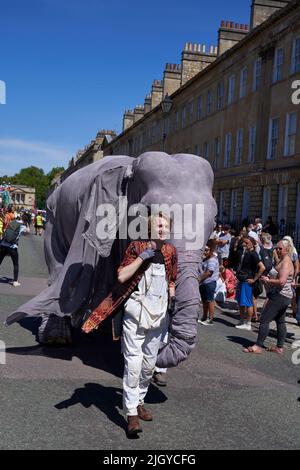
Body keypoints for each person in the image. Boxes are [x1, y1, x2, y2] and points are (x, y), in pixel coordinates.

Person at [83, 212, 177, 436]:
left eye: (165, 226)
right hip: (136, 312)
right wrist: (143, 256)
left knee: (148, 365)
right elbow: (122, 276)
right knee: (133, 365)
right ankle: (132, 414)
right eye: (158, 225)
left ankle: (140, 400)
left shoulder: (171, 252)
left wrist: (172, 295)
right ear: (149, 229)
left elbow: (172, 278)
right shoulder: (136, 247)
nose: (162, 229)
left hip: (159, 314)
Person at [244, 239, 294, 354]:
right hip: (284, 296)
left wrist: (268, 280)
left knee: (264, 319)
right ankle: (279, 347)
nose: (277, 250)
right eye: (276, 248)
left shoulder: (286, 262)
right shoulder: (283, 260)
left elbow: (281, 281)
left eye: (280, 248)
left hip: (280, 296)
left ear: (287, 249)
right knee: (280, 321)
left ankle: (258, 346)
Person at [235, 236, 265, 331]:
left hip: (247, 280)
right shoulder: (246, 252)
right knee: (240, 301)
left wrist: (254, 279)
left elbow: (262, 267)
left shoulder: (253, 254)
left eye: (246, 243)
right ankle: (241, 320)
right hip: (242, 279)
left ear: (252, 243)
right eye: (244, 242)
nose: (244, 244)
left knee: (248, 302)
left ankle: (248, 323)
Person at [0, 215, 29, 286]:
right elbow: (27, 233)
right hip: (12, 247)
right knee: (15, 264)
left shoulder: (12, 222)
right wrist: (27, 225)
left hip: (3, 244)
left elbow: (5, 230)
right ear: (25, 220)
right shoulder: (23, 226)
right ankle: (15, 281)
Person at [198, 240, 219, 325]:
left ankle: (210, 319)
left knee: (210, 300)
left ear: (211, 250)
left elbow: (209, 272)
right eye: (204, 250)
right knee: (204, 301)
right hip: (203, 283)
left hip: (209, 283)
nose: (205, 252)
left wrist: (199, 279)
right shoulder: (205, 259)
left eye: (207, 250)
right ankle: (204, 317)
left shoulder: (212, 260)